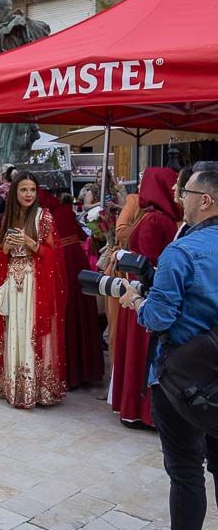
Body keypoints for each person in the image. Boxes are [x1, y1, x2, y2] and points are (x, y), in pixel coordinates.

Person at [121, 167, 218, 530]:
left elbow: (158, 317)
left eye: (188, 191)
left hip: (182, 377)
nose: (181, 197)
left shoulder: (184, 251)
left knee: (185, 470)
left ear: (207, 200)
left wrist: (136, 300)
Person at [0, 171, 67, 409]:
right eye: (23, 189)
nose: (28, 194)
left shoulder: (43, 217)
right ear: (15, 192)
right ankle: (15, 386)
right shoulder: (6, 218)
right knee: (13, 330)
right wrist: (5, 248)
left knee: (32, 331)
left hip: (35, 282)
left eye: (32, 189)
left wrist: (30, 243)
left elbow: (55, 254)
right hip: (13, 281)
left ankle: (37, 387)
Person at [110, 167, 180, 429]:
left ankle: (139, 409)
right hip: (144, 292)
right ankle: (144, 411)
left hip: (140, 292)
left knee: (139, 352)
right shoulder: (157, 219)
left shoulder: (150, 218)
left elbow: (147, 260)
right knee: (143, 352)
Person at [41, 190, 104, 389]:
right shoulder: (65, 212)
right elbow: (80, 234)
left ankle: (68, 372)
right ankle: (86, 370)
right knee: (81, 314)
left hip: (59, 265)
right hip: (77, 262)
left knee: (64, 314)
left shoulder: (44, 216)